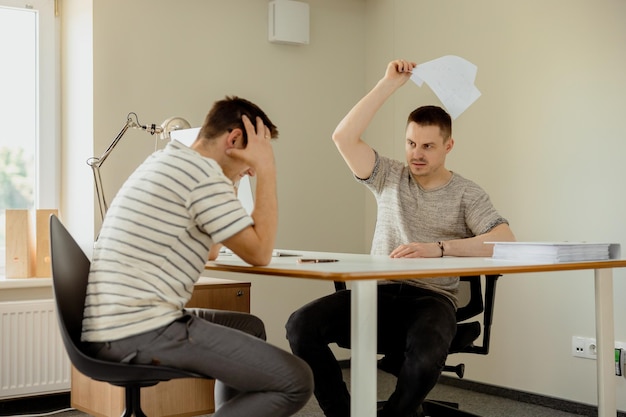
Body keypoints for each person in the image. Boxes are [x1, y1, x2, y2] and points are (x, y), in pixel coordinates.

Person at [285, 60, 515, 417]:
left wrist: (439, 249)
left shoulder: (466, 193)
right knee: (300, 326)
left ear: (448, 145)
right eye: (410, 143)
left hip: (432, 298)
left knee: (425, 354)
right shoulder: (389, 176)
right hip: (377, 291)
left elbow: (506, 239)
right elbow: (343, 137)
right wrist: (388, 84)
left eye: (427, 146)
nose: (416, 154)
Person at [83, 96, 313, 417]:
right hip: (143, 329)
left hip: (115, 322)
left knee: (248, 327)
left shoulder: (171, 161)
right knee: (296, 380)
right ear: (233, 140)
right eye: (255, 156)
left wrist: (234, 174)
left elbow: (212, 249)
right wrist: (267, 169)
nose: (250, 172)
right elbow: (259, 253)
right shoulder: (202, 176)